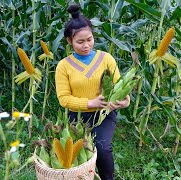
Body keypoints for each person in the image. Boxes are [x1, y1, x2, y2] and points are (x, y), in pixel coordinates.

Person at [55, 4, 130, 180]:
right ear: (69, 41)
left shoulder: (106, 59)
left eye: (89, 39)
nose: (86, 45)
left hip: (104, 114)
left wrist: (125, 100)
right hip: (77, 117)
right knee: (77, 155)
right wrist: (90, 103)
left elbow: (119, 86)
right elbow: (64, 99)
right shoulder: (64, 66)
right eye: (80, 42)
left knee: (102, 148)